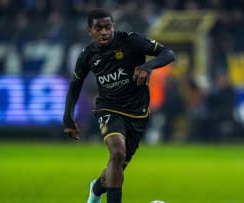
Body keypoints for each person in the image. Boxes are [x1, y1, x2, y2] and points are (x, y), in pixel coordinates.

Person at [62, 8, 175, 203]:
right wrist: (68, 117)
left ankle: (96, 189)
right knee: (117, 152)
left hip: (137, 112)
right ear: (90, 31)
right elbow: (75, 85)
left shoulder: (131, 41)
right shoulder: (87, 55)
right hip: (109, 109)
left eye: (108, 27)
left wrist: (148, 66)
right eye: (99, 28)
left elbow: (168, 53)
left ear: (113, 26)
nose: (104, 32)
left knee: (116, 167)